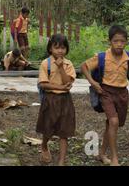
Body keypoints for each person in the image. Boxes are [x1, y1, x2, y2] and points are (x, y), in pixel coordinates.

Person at [81, 25, 129, 166]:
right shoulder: (102, 57)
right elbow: (84, 66)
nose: (119, 44)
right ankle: (114, 157)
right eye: (116, 41)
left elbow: (128, 72)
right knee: (114, 122)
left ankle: (101, 154)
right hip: (106, 93)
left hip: (122, 94)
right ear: (110, 41)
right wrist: (93, 83)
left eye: (122, 41)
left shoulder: (128, 57)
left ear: (126, 42)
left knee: (113, 124)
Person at [36, 34, 76, 166]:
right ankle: (44, 145)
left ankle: (61, 161)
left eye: (63, 48)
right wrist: (60, 87)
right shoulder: (45, 63)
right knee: (48, 128)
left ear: (66, 49)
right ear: (50, 49)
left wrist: (60, 67)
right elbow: (43, 84)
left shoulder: (68, 64)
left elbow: (68, 83)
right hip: (50, 99)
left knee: (64, 131)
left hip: (65, 100)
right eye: (56, 47)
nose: (60, 51)